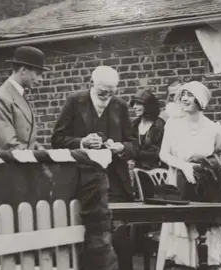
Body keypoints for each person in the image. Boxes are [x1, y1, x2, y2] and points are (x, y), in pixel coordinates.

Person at [51, 65, 137, 270]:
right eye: (102, 92)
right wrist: (82, 142)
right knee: (88, 238)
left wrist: (121, 147)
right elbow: (57, 139)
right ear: (91, 84)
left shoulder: (121, 106)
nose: (107, 96)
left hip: (115, 183)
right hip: (81, 182)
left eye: (111, 92)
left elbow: (134, 144)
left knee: (119, 240)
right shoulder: (74, 101)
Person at [156, 81, 221, 270]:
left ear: (200, 100)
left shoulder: (214, 128)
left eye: (189, 95)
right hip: (179, 182)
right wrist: (184, 166)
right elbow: (163, 154)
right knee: (185, 227)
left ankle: (208, 263)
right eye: (182, 95)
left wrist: (207, 164)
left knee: (208, 227)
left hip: (206, 185)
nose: (184, 99)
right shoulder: (173, 125)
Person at [0, 46, 49, 151]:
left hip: (25, 163)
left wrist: (38, 148)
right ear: (23, 70)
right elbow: (9, 144)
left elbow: (26, 139)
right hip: (11, 165)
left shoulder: (20, 95)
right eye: (38, 74)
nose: (41, 79)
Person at [129, 89, 166, 198]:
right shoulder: (134, 125)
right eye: (134, 104)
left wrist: (134, 153)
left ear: (148, 106)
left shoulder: (159, 125)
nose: (135, 107)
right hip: (136, 174)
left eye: (139, 104)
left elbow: (156, 153)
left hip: (156, 175)